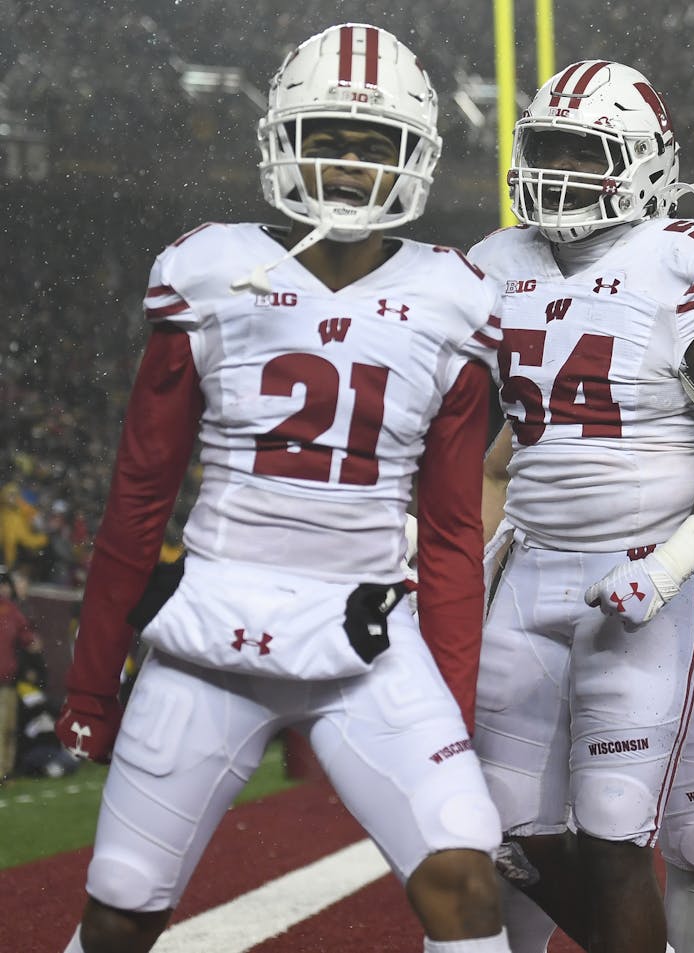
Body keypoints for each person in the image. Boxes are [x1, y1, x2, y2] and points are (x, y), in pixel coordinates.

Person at [52, 24, 511, 953]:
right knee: (120, 911)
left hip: (372, 640)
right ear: (281, 140)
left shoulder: (451, 298)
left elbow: (455, 534)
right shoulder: (213, 271)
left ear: (413, 157)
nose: (347, 162)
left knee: (465, 877)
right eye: (329, 136)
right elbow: (140, 497)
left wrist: (454, 710)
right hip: (213, 631)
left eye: (373, 143)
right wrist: (93, 685)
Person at [464, 59, 694, 953]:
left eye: (586, 150)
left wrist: (674, 563)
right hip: (530, 570)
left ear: (646, 163)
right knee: (501, 831)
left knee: (624, 831)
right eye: (549, 148)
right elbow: (458, 435)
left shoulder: (692, 255)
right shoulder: (494, 263)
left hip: (649, 574)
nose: (560, 170)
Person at [1, 565, 41, 780]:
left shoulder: (10, 610)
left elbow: (26, 634)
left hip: (8, 679)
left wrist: (31, 641)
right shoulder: (11, 609)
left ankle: (6, 771)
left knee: (8, 728)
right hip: (5, 678)